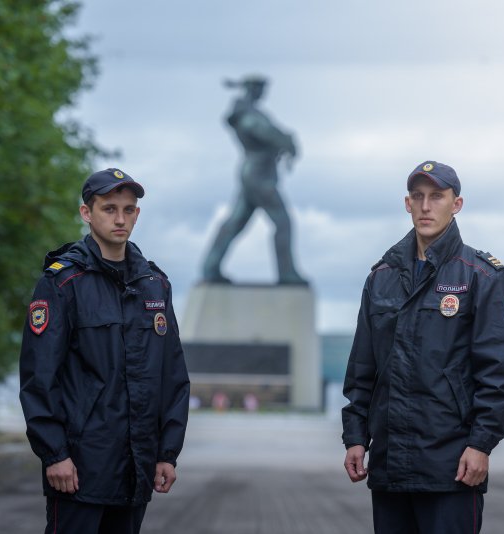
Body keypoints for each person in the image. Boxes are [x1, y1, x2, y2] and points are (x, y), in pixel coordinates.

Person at [341, 161, 504, 534]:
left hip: (452, 464)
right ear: (407, 204)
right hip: (390, 465)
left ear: (456, 204)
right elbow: (363, 367)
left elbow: (500, 373)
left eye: (436, 197)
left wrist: (481, 444)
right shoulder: (381, 279)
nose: (426, 206)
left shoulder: (482, 277)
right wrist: (356, 437)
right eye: (418, 197)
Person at [19, 168, 190, 534]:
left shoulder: (154, 285)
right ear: (86, 213)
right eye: (109, 208)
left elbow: (172, 375)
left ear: (137, 215)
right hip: (80, 468)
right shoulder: (63, 282)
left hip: (136, 469)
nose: (120, 219)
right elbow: (39, 376)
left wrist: (166, 453)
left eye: (128, 210)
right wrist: (55, 454)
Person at [201, 75, 307, 285]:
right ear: (252, 89)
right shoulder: (245, 114)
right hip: (258, 175)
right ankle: (287, 273)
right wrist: (285, 139)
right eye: (260, 88)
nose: (263, 93)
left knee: (235, 223)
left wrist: (284, 139)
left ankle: (210, 266)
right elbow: (261, 131)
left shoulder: (249, 112)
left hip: (257, 173)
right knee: (283, 222)